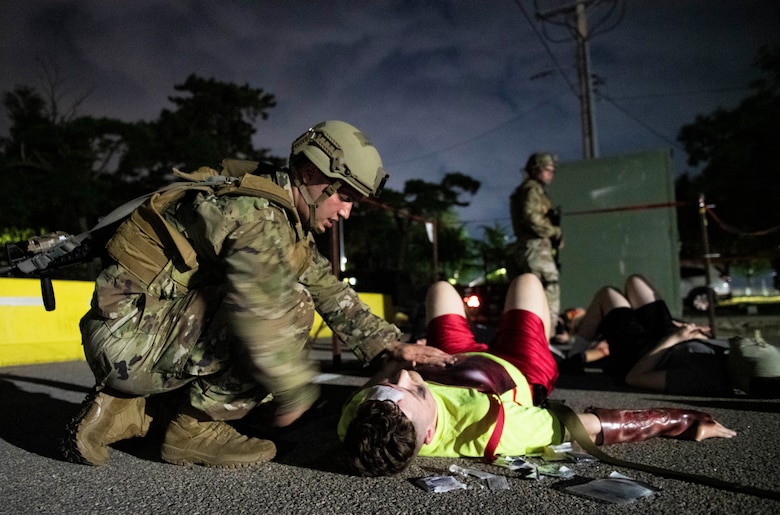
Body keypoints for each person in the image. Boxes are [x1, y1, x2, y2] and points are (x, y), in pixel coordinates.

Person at [62, 120, 454, 469]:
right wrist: (295, 391)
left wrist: (388, 346)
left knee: (286, 307)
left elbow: (328, 289)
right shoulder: (258, 215)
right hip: (130, 340)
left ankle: (126, 408)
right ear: (311, 173)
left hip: (138, 332)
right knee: (290, 308)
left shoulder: (279, 215)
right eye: (345, 196)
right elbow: (263, 310)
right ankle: (194, 430)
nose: (347, 212)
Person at [338, 274, 735, 476]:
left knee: (440, 288)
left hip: (452, 356)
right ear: (429, 437)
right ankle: (567, 344)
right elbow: (592, 426)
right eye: (417, 392)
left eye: (391, 384)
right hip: (519, 368)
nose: (406, 377)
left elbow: (390, 383)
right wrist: (681, 420)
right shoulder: (495, 430)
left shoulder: (360, 419)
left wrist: (393, 363)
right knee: (527, 281)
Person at [571, 274, 779, 397]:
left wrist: (676, 338)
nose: (754, 343)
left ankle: (572, 358)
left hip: (641, 353)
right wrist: (689, 332)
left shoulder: (703, 379)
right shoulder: (733, 359)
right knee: (636, 281)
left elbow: (635, 377)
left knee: (608, 294)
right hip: (668, 336)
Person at [509, 152, 563, 336]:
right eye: (547, 169)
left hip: (532, 247)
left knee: (535, 293)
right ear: (535, 169)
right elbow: (531, 217)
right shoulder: (532, 189)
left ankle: (537, 338)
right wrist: (555, 232)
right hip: (535, 247)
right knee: (548, 290)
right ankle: (543, 338)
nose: (551, 174)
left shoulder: (530, 190)